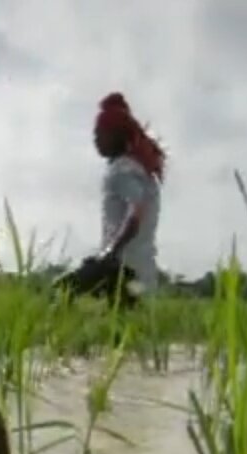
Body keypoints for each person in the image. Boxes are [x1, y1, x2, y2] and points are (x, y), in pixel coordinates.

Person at [55, 92, 166, 309]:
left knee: (60, 291)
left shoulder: (122, 170)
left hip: (122, 269)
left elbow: (136, 214)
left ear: (115, 134)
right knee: (119, 329)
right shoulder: (143, 172)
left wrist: (108, 253)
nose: (94, 139)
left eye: (99, 133)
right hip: (142, 273)